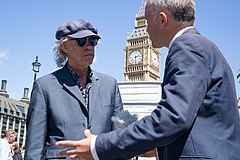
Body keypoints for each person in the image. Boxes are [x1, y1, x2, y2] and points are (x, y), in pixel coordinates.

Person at [55, 0, 240, 159]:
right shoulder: (204, 46)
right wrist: (156, 149)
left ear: (162, 19)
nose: (147, 29)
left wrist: (98, 146)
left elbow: (173, 117)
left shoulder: (187, 47)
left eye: (147, 22)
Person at [24, 18, 123, 159]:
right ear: (65, 47)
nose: (89, 47)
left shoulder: (110, 85)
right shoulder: (44, 86)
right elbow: (34, 147)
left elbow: (120, 139)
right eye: (82, 41)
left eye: (93, 41)